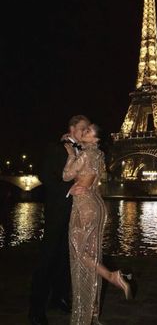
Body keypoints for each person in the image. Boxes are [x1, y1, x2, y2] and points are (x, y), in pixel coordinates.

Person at [63, 123, 132, 325]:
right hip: (97, 206)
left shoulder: (85, 155)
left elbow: (66, 175)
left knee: (78, 253)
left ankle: (112, 276)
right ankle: (92, 313)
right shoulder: (99, 155)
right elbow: (88, 177)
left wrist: (70, 153)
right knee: (91, 254)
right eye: (84, 129)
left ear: (96, 139)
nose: (84, 131)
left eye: (88, 130)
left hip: (84, 207)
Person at [28, 114, 91, 325]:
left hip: (76, 213)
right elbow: (45, 176)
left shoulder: (83, 151)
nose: (86, 132)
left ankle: (59, 297)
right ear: (72, 128)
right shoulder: (56, 148)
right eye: (83, 128)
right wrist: (70, 188)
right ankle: (36, 310)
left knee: (66, 258)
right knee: (47, 260)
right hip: (58, 211)